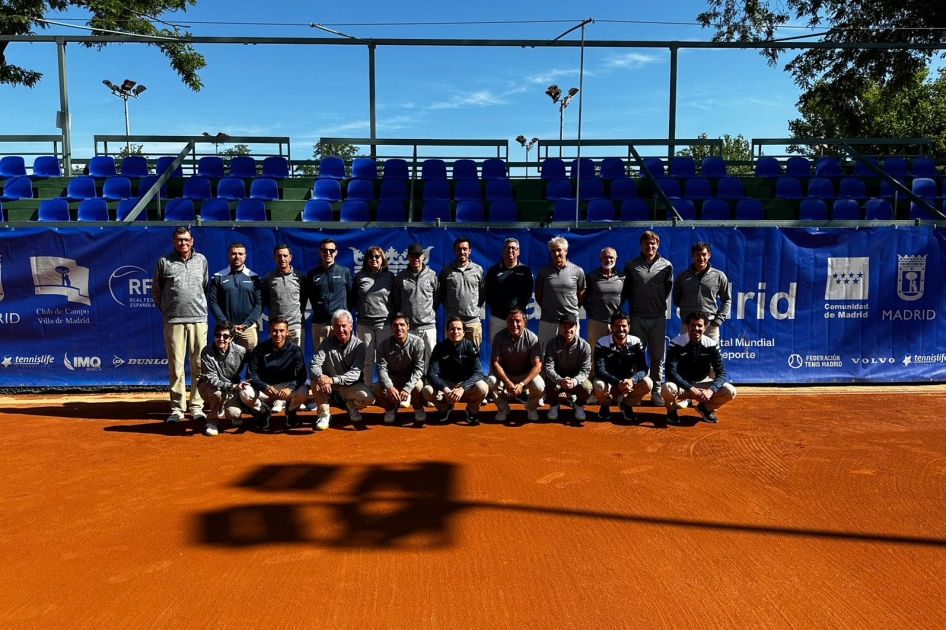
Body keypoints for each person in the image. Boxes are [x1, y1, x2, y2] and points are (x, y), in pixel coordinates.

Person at [151, 226, 209, 424]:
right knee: (176, 366)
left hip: (198, 319)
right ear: (173, 241)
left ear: (192, 241)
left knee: (199, 365)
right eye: (179, 239)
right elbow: (157, 292)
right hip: (173, 321)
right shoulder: (164, 262)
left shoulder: (201, 260)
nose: (183, 243)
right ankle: (177, 409)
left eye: (186, 239)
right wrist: (169, 311)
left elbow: (204, 285)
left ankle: (197, 407)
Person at [621, 230, 673, 405]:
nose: (649, 246)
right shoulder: (631, 265)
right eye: (646, 243)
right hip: (637, 317)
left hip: (658, 317)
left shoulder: (667, 266)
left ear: (657, 245)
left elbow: (666, 290)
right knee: (636, 356)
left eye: (653, 243)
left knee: (657, 357)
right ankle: (637, 391)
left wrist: (654, 304)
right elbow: (626, 290)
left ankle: (656, 392)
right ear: (641, 245)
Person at [662, 310, 737, 425]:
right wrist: (690, 388)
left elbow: (721, 373)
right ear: (687, 326)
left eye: (699, 326)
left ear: (705, 328)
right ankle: (671, 411)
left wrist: (710, 391)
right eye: (692, 325)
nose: (696, 329)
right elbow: (670, 372)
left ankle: (705, 408)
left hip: (702, 384)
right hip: (681, 387)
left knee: (730, 391)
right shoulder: (676, 343)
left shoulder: (711, 344)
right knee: (667, 388)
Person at [309, 309, 375, 431]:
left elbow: (355, 374)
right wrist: (320, 378)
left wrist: (332, 380)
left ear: (351, 326)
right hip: (329, 387)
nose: (341, 330)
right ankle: (324, 415)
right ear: (333, 328)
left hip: (349, 386)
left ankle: (350, 406)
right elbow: (314, 364)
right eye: (337, 326)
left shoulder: (359, 346)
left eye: (344, 326)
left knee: (369, 398)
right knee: (315, 382)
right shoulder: (325, 343)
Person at [242, 317, 309, 430]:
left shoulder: (294, 350)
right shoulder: (260, 349)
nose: (278, 334)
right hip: (265, 388)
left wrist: (290, 388)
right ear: (269, 331)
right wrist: (264, 387)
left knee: (304, 391)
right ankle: (264, 412)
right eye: (275, 330)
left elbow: (301, 375)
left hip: (286, 388)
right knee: (244, 392)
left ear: (287, 332)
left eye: (281, 331)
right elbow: (251, 374)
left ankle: (290, 411)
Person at [423, 317, 488, 425]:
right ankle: (445, 408)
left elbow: (478, 372)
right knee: (427, 391)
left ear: (463, 332)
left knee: (483, 388)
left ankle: (472, 410)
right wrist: (445, 389)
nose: (455, 332)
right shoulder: (440, 347)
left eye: (459, 329)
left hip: (465, 385)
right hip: (447, 385)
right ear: (447, 331)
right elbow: (431, 373)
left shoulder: (470, 346)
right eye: (452, 329)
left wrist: (462, 388)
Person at [592, 312, 652, 422]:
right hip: (609, 381)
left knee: (648, 383)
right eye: (617, 326)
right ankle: (605, 405)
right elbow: (599, 370)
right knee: (598, 385)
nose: (621, 329)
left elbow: (643, 368)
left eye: (624, 326)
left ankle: (626, 405)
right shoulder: (602, 342)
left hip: (627, 381)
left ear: (629, 327)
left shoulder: (636, 341)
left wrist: (632, 380)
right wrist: (617, 382)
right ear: (611, 327)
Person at [487, 308, 544, 424]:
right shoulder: (499, 337)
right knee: (491, 381)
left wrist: (522, 384)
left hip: (525, 375)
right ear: (506, 322)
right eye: (510, 321)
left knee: (539, 386)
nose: (514, 325)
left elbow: (537, 366)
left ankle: (530, 407)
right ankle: (503, 409)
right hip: (506, 374)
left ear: (524, 321)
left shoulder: (532, 338)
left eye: (517, 321)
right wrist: (507, 382)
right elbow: (495, 363)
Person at [373, 313, 427, 428]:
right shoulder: (383, 345)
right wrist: (390, 387)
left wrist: (407, 388)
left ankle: (418, 408)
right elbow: (381, 368)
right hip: (394, 378)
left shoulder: (418, 342)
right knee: (377, 387)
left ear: (408, 326)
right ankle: (390, 408)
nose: (399, 328)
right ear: (391, 328)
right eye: (395, 325)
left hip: (411, 377)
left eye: (402, 325)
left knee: (418, 386)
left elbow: (418, 369)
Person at [672, 241, 731, 344]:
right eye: (697, 255)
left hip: (710, 327)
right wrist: (688, 314)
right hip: (688, 326)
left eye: (704, 254)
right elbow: (677, 300)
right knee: (686, 358)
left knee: (711, 359)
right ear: (692, 256)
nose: (701, 258)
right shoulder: (682, 277)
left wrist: (717, 322)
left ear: (709, 255)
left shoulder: (719, 276)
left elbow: (727, 300)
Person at [196, 321, 248, 436]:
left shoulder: (241, 351)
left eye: (225, 336)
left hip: (231, 387)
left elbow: (254, 365)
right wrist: (232, 386)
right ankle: (212, 422)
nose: (221, 339)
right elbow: (211, 379)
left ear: (231, 337)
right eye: (218, 335)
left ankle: (229, 407)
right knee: (217, 393)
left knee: (234, 414)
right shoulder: (206, 351)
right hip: (208, 386)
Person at [352, 245, 395, 384]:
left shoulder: (390, 277)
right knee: (367, 359)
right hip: (364, 324)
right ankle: (367, 388)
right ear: (366, 260)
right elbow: (352, 297)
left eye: (377, 256)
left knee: (385, 358)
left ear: (383, 259)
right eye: (370, 257)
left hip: (385, 323)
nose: (374, 259)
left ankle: (385, 388)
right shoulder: (359, 276)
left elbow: (396, 298)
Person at [392, 243, 439, 367]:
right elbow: (397, 300)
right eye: (412, 256)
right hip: (409, 328)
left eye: (418, 256)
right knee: (409, 362)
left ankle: (429, 385)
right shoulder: (400, 277)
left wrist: (427, 312)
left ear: (423, 256)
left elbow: (437, 298)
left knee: (430, 361)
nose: (415, 259)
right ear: (407, 257)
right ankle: (413, 386)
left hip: (428, 326)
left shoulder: (432, 275)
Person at [208, 242, 262, 350]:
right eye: (234, 253)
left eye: (240, 254)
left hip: (248, 328)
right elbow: (213, 303)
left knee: (253, 360)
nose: (237, 256)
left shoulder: (254, 277)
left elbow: (259, 303)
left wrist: (246, 324)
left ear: (245, 256)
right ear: (228, 255)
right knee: (224, 359)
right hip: (225, 328)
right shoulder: (218, 277)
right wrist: (227, 324)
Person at [535, 236, 586, 348]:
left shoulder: (578, 271)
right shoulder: (543, 271)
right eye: (553, 251)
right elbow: (539, 295)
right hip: (548, 321)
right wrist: (549, 309)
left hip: (570, 321)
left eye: (559, 250)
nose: (556, 253)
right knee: (545, 354)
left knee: (570, 354)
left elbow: (581, 296)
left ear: (566, 251)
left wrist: (570, 312)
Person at [542, 313, 593, 425]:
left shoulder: (585, 346)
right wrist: (560, 380)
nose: (568, 329)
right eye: (565, 326)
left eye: (571, 326)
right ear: (560, 327)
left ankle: (578, 405)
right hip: (557, 380)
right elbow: (548, 367)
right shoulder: (551, 344)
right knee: (547, 383)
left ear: (576, 328)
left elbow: (585, 370)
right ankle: (554, 404)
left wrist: (574, 381)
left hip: (576, 380)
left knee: (587, 387)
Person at [436, 236, 485, 347]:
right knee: (451, 356)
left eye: (465, 249)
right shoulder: (446, 270)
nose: (462, 252)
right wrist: (451, 307)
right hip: (452, 320)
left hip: (472, 321)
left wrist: (473, 308)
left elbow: (482, 293)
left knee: (473, 356)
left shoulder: (478, 269)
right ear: (454, 251)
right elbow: (441, 293)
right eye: (459, 249)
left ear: (470, 251)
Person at [305, 237, 352, 354]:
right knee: (321, 361)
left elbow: (351, 296)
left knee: (344, 358)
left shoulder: (344, 271)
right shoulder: (312, 274)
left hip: (340, 325)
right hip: (319, 324)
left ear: (336, 252)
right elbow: (310, 296)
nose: (328, 253)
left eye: (331, 250)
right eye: (324, 250)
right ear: (319, 252)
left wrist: (343, 315)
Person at [484, 237, 534, 346]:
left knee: (519, 351)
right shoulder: (493, 270)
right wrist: (498, 309)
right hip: (498, 318)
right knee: (497, 352)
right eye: (508, 248)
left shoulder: (525, 271)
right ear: (503, 250)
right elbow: (488, 293)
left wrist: (517, 312)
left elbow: (527, 293)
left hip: (518, 319)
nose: (510, 251)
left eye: (513, 248)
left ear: (518, 251)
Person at [584, 247, 625, 367]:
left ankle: (614, 382)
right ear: (600, 258)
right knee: (594, 353)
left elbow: (625, 296)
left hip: (616, 323)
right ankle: (593, 382)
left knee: (616, 354)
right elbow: (584, 298)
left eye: (611, 257)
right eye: (605, 257)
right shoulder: (591, 277)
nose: (608, 260)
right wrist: (592, 312)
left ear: (616, 259)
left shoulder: (623, 277)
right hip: (596, 322)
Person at [261, 243, 307, 348]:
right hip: (276, 327)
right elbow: (267, 300)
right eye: (279, 256)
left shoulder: (299, 277)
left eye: (285, 256)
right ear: (274, 257)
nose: (282, 258)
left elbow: (303, 300)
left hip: (295, 326)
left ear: (290, 257)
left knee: (296, 360)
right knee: (275, 359)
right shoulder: (269, 277)